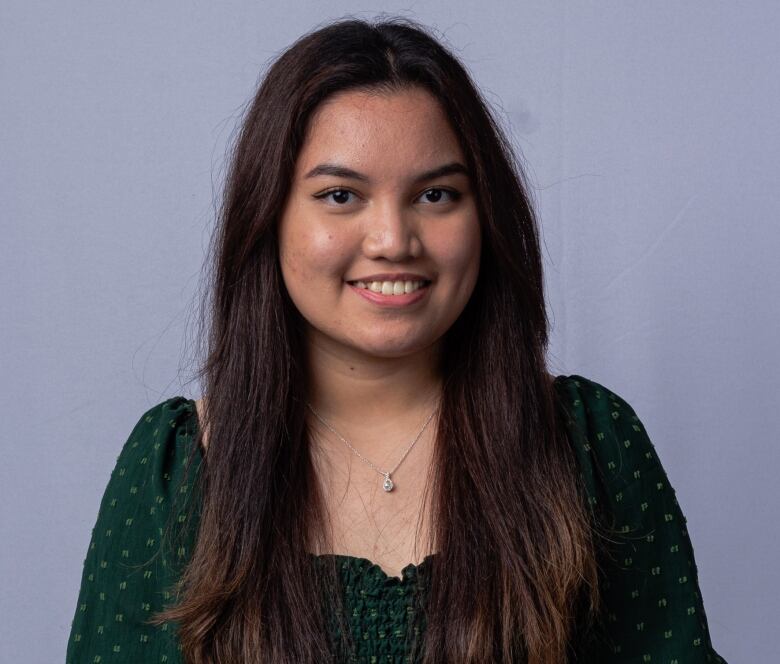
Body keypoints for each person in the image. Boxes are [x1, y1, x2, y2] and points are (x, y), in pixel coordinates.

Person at [65, 16, 727, 664]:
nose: (393, 241)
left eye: (436, 194)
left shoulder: (590, 445)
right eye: (340, 196)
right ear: (267, 216)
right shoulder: (175, 469)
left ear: (485, 215)